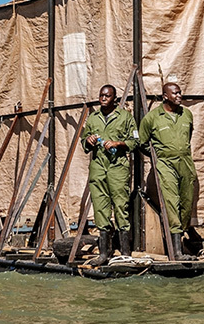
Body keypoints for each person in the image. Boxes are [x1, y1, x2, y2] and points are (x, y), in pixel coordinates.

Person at [137, 82, 198, 259]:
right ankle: (177, 251)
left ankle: (184, 235)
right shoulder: (152, 118)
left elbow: (189, 136)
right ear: (165, 96)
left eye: (180, 92)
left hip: (185, 161)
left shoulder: (187, 114)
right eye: (175, 93)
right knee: (172, 201)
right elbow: (141, 142)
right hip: (165, 163)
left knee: (187, 202)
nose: (179, 96)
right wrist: (158, 155)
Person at [81, 83, 139, 266]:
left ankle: (124, 252)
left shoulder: (126, 117)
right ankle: (104, 253)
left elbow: (136, 141)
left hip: (118, 168)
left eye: (107, 96)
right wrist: (88, 141)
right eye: (101, 96)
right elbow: (84, 143)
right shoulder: (93, 118)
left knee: (121, 206)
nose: (103, 99)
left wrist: (118, 144)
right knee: (100, 207)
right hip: (98, 167)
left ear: (115, 99)